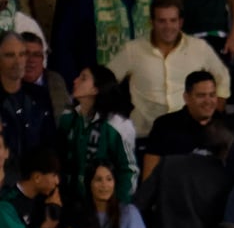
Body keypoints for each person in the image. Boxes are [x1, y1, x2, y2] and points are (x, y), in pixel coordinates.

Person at [106, 0, 230, 139]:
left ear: (180, 22)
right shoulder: (132, 50)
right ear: (152, 22)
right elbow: (105, 79)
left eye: (173, 20)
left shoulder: (199, 48)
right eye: (162, 21)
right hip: (146, 134)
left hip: (189, 134)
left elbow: (223, 78)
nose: (168, 27)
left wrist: (213, 116)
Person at [58, 65, 136, 205]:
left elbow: (128, 170)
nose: (75, 81)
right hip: (73, 203)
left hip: (107, 206)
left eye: (83, 78)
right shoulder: (68, 118)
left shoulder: (117, 125)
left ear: (96, 89)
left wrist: (119, 205)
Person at [141, 70, 226, 182]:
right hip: (177, 195)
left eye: (212, 95)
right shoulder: (165, 125)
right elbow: (149, 175)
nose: (208, 101)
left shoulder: (229, 126)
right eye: (201, 95)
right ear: (186, 98)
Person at [0, 31, 55, 179]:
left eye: (22, 54)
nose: (18, 61)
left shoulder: (39, 96)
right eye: (10, 55)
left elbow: (49, 143)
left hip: (35, 184)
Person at [85, 162, 145, 228]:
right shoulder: (79, 214)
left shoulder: (129, 213)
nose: (104, 185)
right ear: (89, 183)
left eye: (109, 179)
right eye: (98, 180)